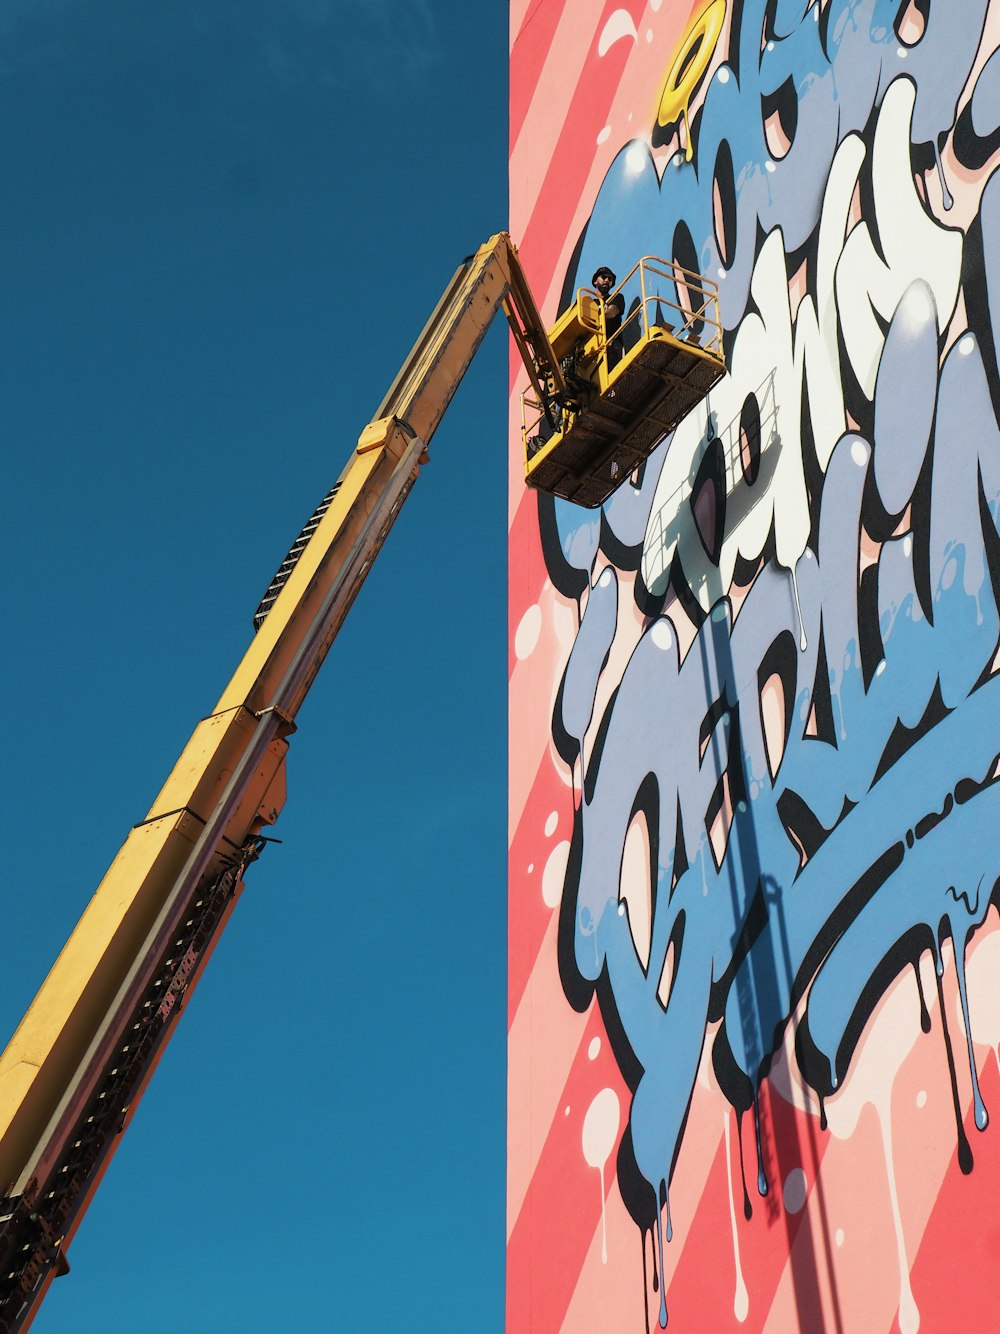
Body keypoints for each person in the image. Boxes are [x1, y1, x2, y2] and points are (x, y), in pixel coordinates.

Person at [592, 266, 625, 368]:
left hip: (611, 343)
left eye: (610, 279)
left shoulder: (616, 297)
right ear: (595, 282)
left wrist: (595, 316)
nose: (606, 280)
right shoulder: (589, 302)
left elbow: (611, 312)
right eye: (603, 277)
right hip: (593, 346)